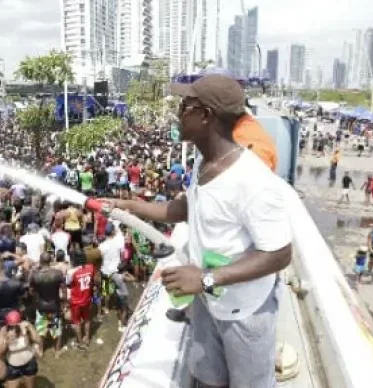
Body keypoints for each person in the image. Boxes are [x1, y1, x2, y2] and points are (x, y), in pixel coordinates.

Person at [107, 74, 294, 388]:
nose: (178, 113)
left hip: (245, 311)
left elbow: (279, 254)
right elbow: (186, 208)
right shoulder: (204, 164)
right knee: (206, 378)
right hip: (209, 300)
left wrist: (206, 278)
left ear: (205, 115)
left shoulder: (254, 181)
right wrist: (129, 206)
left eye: (185, 106)